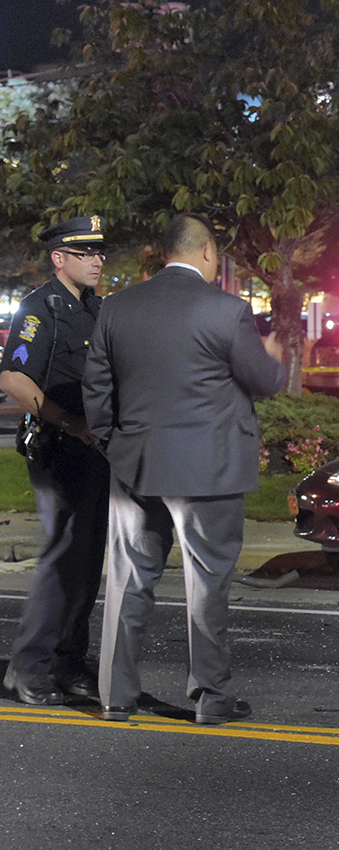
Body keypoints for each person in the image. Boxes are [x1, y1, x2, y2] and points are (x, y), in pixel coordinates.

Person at [83, 213, 286, 724]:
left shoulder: (117, 307)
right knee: (207, 584)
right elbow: (264, 380)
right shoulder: (227, 311)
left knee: (127, 582)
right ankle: (212, 699)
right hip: (209, 470)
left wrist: (116, 446)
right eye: (217, 256)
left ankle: (115, 696)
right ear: (205, 254)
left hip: (134, 465)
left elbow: (96, 391)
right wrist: (277, 360)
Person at [1, 215, 110, 706]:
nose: (97, 260)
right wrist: (69, 423)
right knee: (62, 558)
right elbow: (14, 379)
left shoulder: (98, 309)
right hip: (59, 448)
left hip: (97, 451)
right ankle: (28, 666)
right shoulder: (40, 308)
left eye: (100, 252)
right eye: (86, 253)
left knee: (87, 564)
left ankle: (69, 663)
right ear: (59, 258)